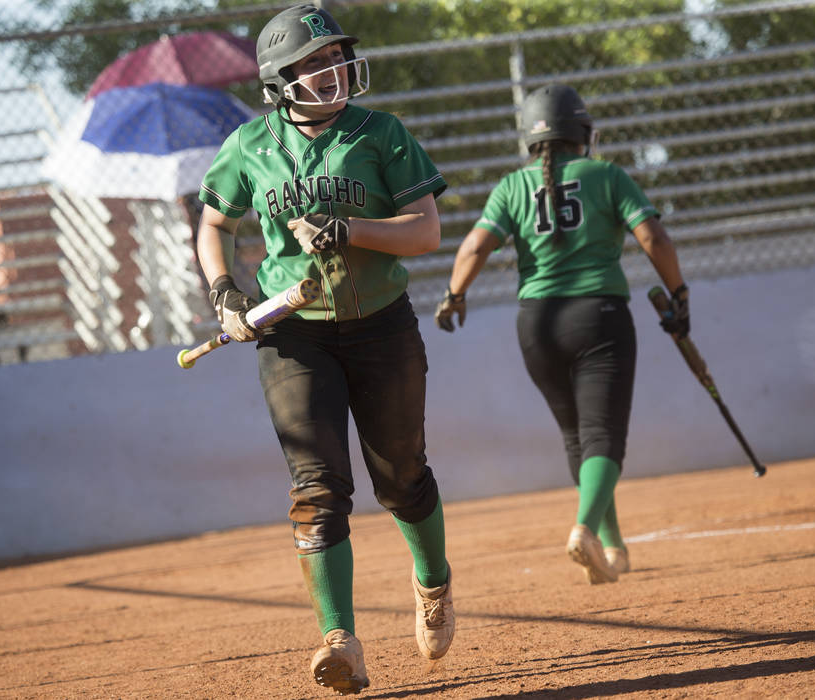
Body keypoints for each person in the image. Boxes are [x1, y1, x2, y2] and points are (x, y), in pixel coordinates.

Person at [195, 4, 454, 694]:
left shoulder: (382, 132)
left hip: (380, 322)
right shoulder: (250, 145)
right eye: (315, 63)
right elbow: (213, 223)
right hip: (292, 332)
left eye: (338, 56)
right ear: (281, 80)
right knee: (317, 488)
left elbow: (426, 232)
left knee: (401, 474)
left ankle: (432, 583)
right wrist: (224, 294)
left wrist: (352, 230)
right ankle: (340, 641)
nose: (334, 70)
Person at [434, 84, 690, 586]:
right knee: (604, 436)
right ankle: (585, 530)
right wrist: (678, 292)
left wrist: (454, 295)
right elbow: (653, 236)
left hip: (536, 325)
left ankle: (613, 548)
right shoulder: (606, 176)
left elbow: (473, 247)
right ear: (584, 134)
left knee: (578, 436)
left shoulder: (510, 187)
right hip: (598, 316)